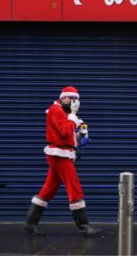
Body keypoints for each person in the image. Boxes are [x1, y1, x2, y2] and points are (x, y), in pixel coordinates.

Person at [24, 86, 101, 237]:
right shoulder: (56, 110)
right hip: (60, 154)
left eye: (76, 99)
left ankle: (30, 224)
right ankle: (84, 226)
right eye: (71, 99)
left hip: (62, 153)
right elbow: (65, 130)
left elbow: (66, 135)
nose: (74, 102)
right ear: (63, 97)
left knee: (49, 189)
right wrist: (73, 115)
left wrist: (79, 137)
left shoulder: (63, 112)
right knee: (74, 187)